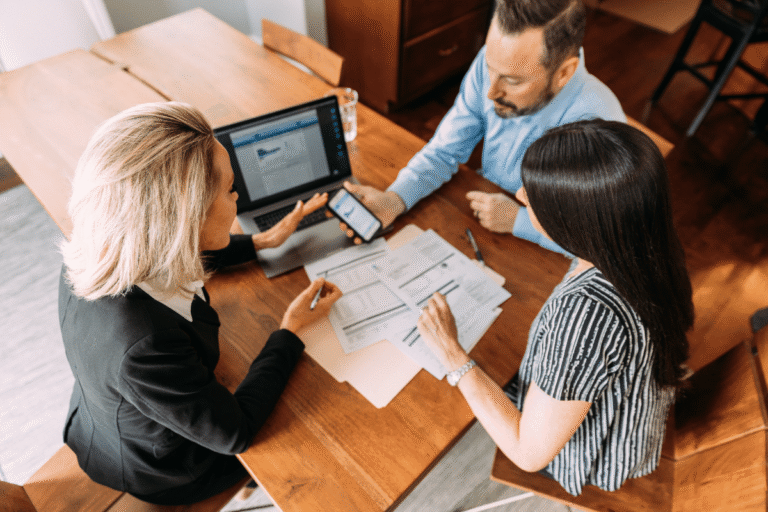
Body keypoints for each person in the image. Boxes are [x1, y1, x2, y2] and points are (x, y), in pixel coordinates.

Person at [58, 102, 342, 505]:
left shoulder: (96, 248)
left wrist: (260, 242)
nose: (238, 196)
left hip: (107, 415)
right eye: (229, 189)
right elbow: (235, 433)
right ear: (183, 219)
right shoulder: (146, 346)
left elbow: (172, 249)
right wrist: (289, 331)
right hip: (167, 466)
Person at [417, 119, 694, 496]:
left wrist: (452, 354)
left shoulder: (587, 319)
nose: (519, 195)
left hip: (594, 457)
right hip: (633, 410)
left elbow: (528, 454)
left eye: (535, 196)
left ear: (575, 223)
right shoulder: (642, 242)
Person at [341, 0, 625, 254]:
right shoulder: (496, 65)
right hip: (479, 225)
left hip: (545, 258)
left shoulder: (602, 125)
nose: (490, 92)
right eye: (490, 67)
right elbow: (444, 151)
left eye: (513, 81)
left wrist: (520, 221)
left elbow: (604, 240)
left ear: (563, 72)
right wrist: (395, 199)